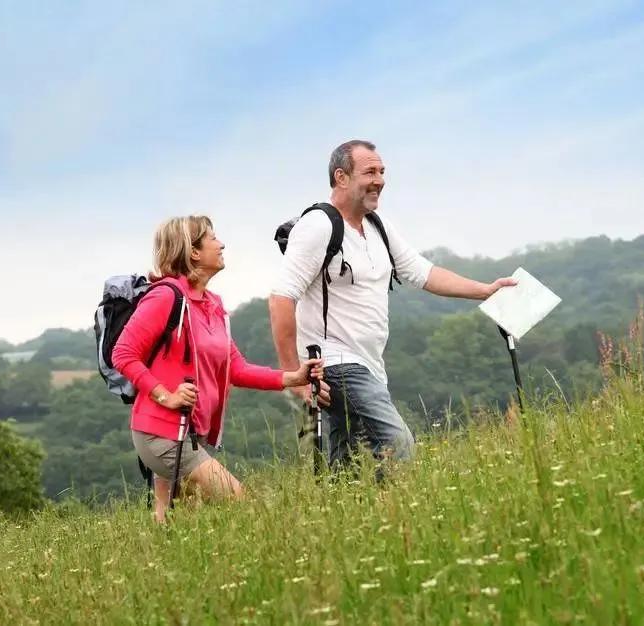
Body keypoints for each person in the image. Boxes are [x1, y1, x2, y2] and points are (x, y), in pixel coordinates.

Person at [269, 139, 516, 469]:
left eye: (382, 171)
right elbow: (280, 300)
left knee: (345, 469)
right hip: (336, 363)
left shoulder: (377, 225)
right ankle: (401, 514)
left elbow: (421, 272)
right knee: (399, 445)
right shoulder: (318, 226)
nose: (380, 180)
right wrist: (293, 376)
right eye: (370, 171)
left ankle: (359, 515)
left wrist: (484, 290)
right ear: (341, 177)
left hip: (370, 364)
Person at [113, 215, 324, 522]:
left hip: (190, 431)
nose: (221, 243)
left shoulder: (212, 304)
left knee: (173, 524)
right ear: (193, 251)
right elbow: (124, 354)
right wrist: (165, 396)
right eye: (212, 238)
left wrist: (292, 378)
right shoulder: (166, 296)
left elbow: (235, 368)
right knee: (244, 503)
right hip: (161, 431)